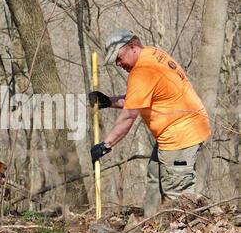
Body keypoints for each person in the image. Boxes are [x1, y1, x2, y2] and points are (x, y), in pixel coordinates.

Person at [89, 29, 211, 217]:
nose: (118, 63)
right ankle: (151, 223)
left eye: (119, 58)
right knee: (155, 175)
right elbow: (138, 98)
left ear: (132, 47)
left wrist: (106, 145)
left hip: (181, 136)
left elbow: (129, 116)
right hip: (181, 129)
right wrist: (108, 101)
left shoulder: (143, 71)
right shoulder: (153, 55)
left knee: (177, 194)